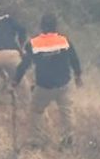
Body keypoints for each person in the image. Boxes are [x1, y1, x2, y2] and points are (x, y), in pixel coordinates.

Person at [14, 13, 81, 147]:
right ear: (56, 26)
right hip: (64, 84)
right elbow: (74, 60)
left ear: (41, 27)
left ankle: (36, 140)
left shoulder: (33, 43)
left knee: (35, 111)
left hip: (44, 86)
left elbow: (24, 65)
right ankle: (69, 138)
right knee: (66, 111)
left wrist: (15, 81)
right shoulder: (64, 41)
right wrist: (78, 76)